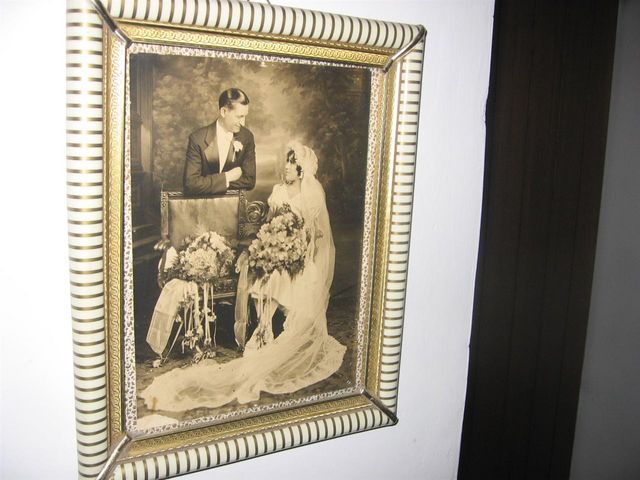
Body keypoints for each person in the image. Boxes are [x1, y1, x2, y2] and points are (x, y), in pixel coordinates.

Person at [140, 142, 346, 413]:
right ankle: (263, 330)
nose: (286, 167)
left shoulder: (312, 193)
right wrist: (270, 245)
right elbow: (268, 223)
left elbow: (316, 235)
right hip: (276, 249)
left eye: (292, 163)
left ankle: (266, 332)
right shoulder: (278, 192)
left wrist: (295, 250)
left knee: (283, 275)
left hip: (300, 255)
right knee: (265, 274)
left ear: (301, 169)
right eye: (285, 162)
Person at [183, 88, 256, 195]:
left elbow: (249, 181)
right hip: (203, 203)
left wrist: (207, 183)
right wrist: (227, 177)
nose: (243, 123)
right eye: (239, 117)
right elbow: (191, 184)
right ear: (223, 112)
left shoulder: (247, 137)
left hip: (233, 204)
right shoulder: (197, 139)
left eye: (244, 116)